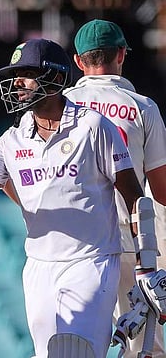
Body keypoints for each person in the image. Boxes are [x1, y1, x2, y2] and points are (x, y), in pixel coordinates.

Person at [0, 38, 146, 358]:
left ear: (57, 78)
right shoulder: (12, 141)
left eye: (27, 73)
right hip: (39, 269)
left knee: (75, 351)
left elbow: (135, 197)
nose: (16, 82)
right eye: (14, 74)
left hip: (92, 262)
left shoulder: (93, 126)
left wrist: (147, 266)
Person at [64, 19, 166, 358]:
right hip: (127, 240)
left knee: (72, 345)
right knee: (144, 346)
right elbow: (161, 191)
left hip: (72, 244)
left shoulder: (55, 107)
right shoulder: (142, 107)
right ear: (121, 54)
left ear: (79, 62)